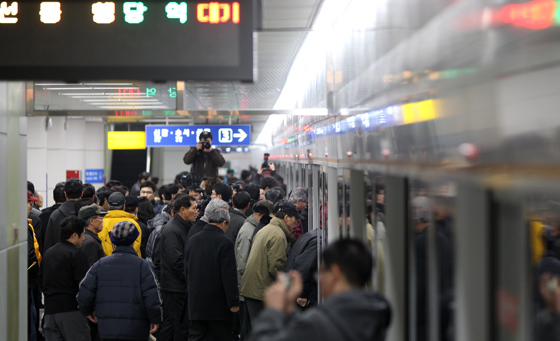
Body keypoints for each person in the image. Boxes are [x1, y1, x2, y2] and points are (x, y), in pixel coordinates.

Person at [250, 239, 392, 341]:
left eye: (322, 272)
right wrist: (291, 308)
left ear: (335, 273)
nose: (320, 279)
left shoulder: (318, 324)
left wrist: (273, 311)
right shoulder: (374, 312)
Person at [78, 221, 161, 341]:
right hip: (136, 328)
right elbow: (151, 297)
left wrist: (88, 311)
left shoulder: (100, 265)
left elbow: (84, 294)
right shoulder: (141, 266)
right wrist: (154, 318)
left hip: (107, 327)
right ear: (134, 240)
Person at [240, 201, 301, 326]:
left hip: (253, 288)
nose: (296, 224)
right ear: (286, 217)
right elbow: (276, 267)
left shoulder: (266, 229)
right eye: (295, 220)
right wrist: (289, 286)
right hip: (261, 291)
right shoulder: (278, 235)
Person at [184, 207, 240, 340]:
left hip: (196, 302)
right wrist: (233, 301)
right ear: (224, 222)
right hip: (218, 306)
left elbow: (186, 270)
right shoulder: (225, 242)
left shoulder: (192, 240)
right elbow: (229, 275)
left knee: (196, 336)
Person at [39, 216, 90, 341]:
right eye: (82, 235)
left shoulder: (48, 253)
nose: (84, 239)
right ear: (74, 235)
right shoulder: (77, 254)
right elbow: (84, 284)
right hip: (71, 311)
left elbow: (40, 281)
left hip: (50, 312)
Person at [158, 195, 198, 340]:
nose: (197, 211)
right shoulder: (173, 230)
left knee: (173, 325)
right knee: (176, 326)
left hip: (178, 286)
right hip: (175, 288)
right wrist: (191, 278)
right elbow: (176, 261)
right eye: (194, 208)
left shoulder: (183, 226)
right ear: (183, 209)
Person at [44, 178, 84, 252]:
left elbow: (48, 244)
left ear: (65, 194)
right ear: (82, 194)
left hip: (59, 260)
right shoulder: (87, 214)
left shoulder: (55, 215)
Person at [98, 192, 143, 257]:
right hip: (131, 262)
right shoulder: (133, 223)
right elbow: (136, 246)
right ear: (124, 206)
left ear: (108, 205)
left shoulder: (101, 223)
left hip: (107, 263)